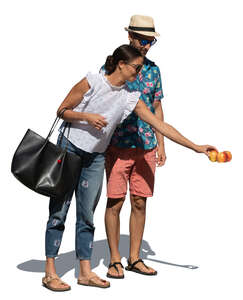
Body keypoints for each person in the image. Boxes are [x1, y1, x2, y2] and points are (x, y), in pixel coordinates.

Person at [42, 44, 215, 292]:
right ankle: (50, 272)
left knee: (87, 216)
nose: (139, 71)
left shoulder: (129, 98)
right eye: (136, 66)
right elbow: (62, 110)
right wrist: (87, 117)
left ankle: (85, 272)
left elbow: (160, 124)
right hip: (70, 149)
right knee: (59, 211)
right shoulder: (93, 81)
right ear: (121, 64)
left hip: (95, 157)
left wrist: (195, 146)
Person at [104, 15, 166, 278]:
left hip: (146, 146)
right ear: (130, 36)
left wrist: (161, 142)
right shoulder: (114, 66)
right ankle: (114, 260)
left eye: (150, 41)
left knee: (140, 202)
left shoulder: (154, 70)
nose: (146, 45)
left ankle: (135, 258)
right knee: (115, 202)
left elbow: (157, 106)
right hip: (117, 145)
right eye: (142, 40)